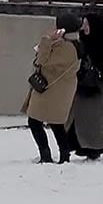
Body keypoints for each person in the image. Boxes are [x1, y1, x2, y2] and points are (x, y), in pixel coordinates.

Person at [20, 13, 80, 164]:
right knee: (56, 123)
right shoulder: (74, 44)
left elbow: (42, 60)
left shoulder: (65, 47)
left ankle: (47, 154)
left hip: (51, 91)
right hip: (58, 90)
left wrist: (47, 39)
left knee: (35, 121)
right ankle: (63, 155)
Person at [66, 13, 103, 160]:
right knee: (82, 118)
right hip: (87, 87)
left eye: (86, 23)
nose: (83, 26)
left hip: (101, 88)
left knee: (98, 120)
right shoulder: (83, 40)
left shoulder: (102, 43)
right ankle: (87, 147)